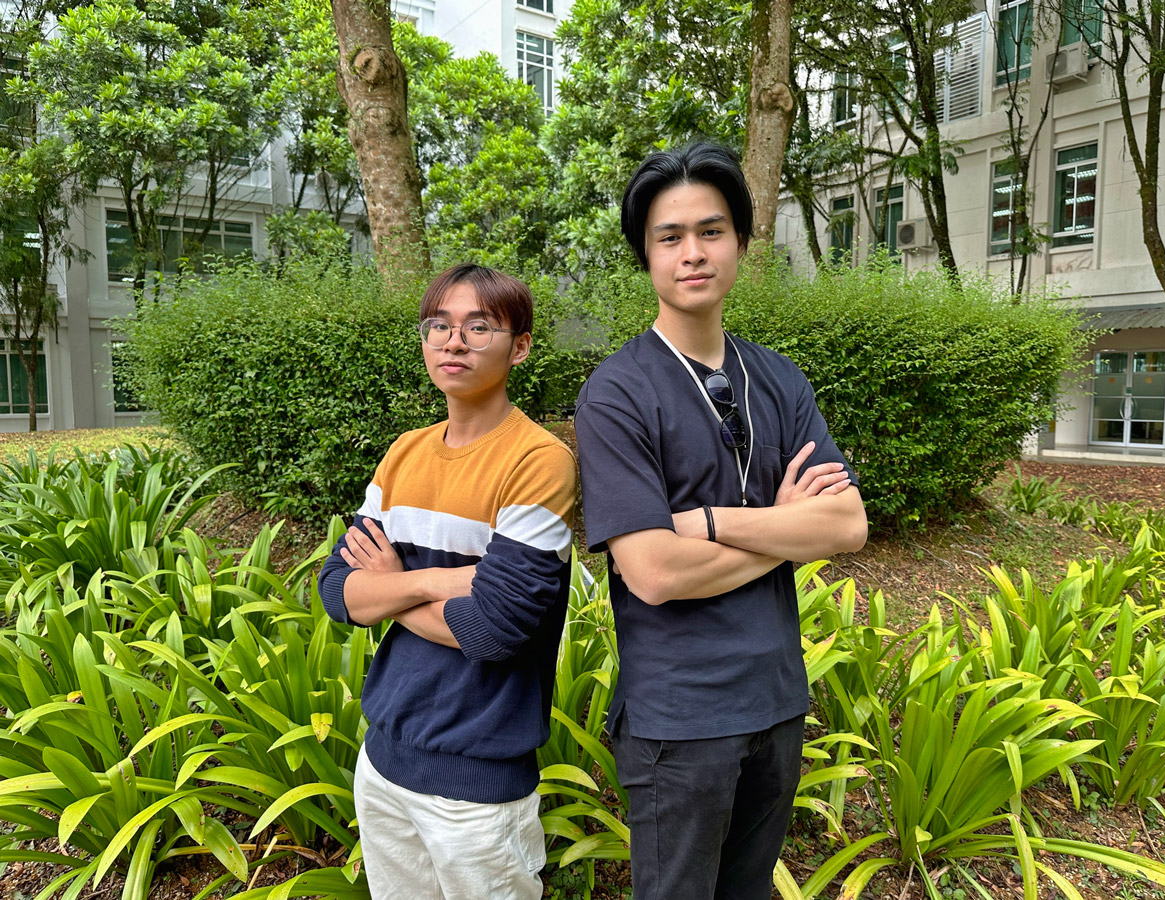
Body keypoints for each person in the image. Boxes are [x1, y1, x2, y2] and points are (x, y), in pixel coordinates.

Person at [573, 142, 868, 900]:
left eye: (712, 231)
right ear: (646, 255)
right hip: (678, 719)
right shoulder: (617, 394)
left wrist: (704, 521)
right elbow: (655, 573)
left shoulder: (779, 378)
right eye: (670, 237)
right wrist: (783, 526)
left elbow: (846, 527)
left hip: (775, 701)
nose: (692, 253)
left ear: (741, 241)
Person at [317, 263, 576, 900]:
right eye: (439, 326)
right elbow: (336, 592)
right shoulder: (404, 452)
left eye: (478, 326)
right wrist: (443, 581)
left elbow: (493, 631)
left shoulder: (539, 461)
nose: (453, 342)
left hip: (477, 780)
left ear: (520, 347)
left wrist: (395, 582)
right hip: (383, 760)